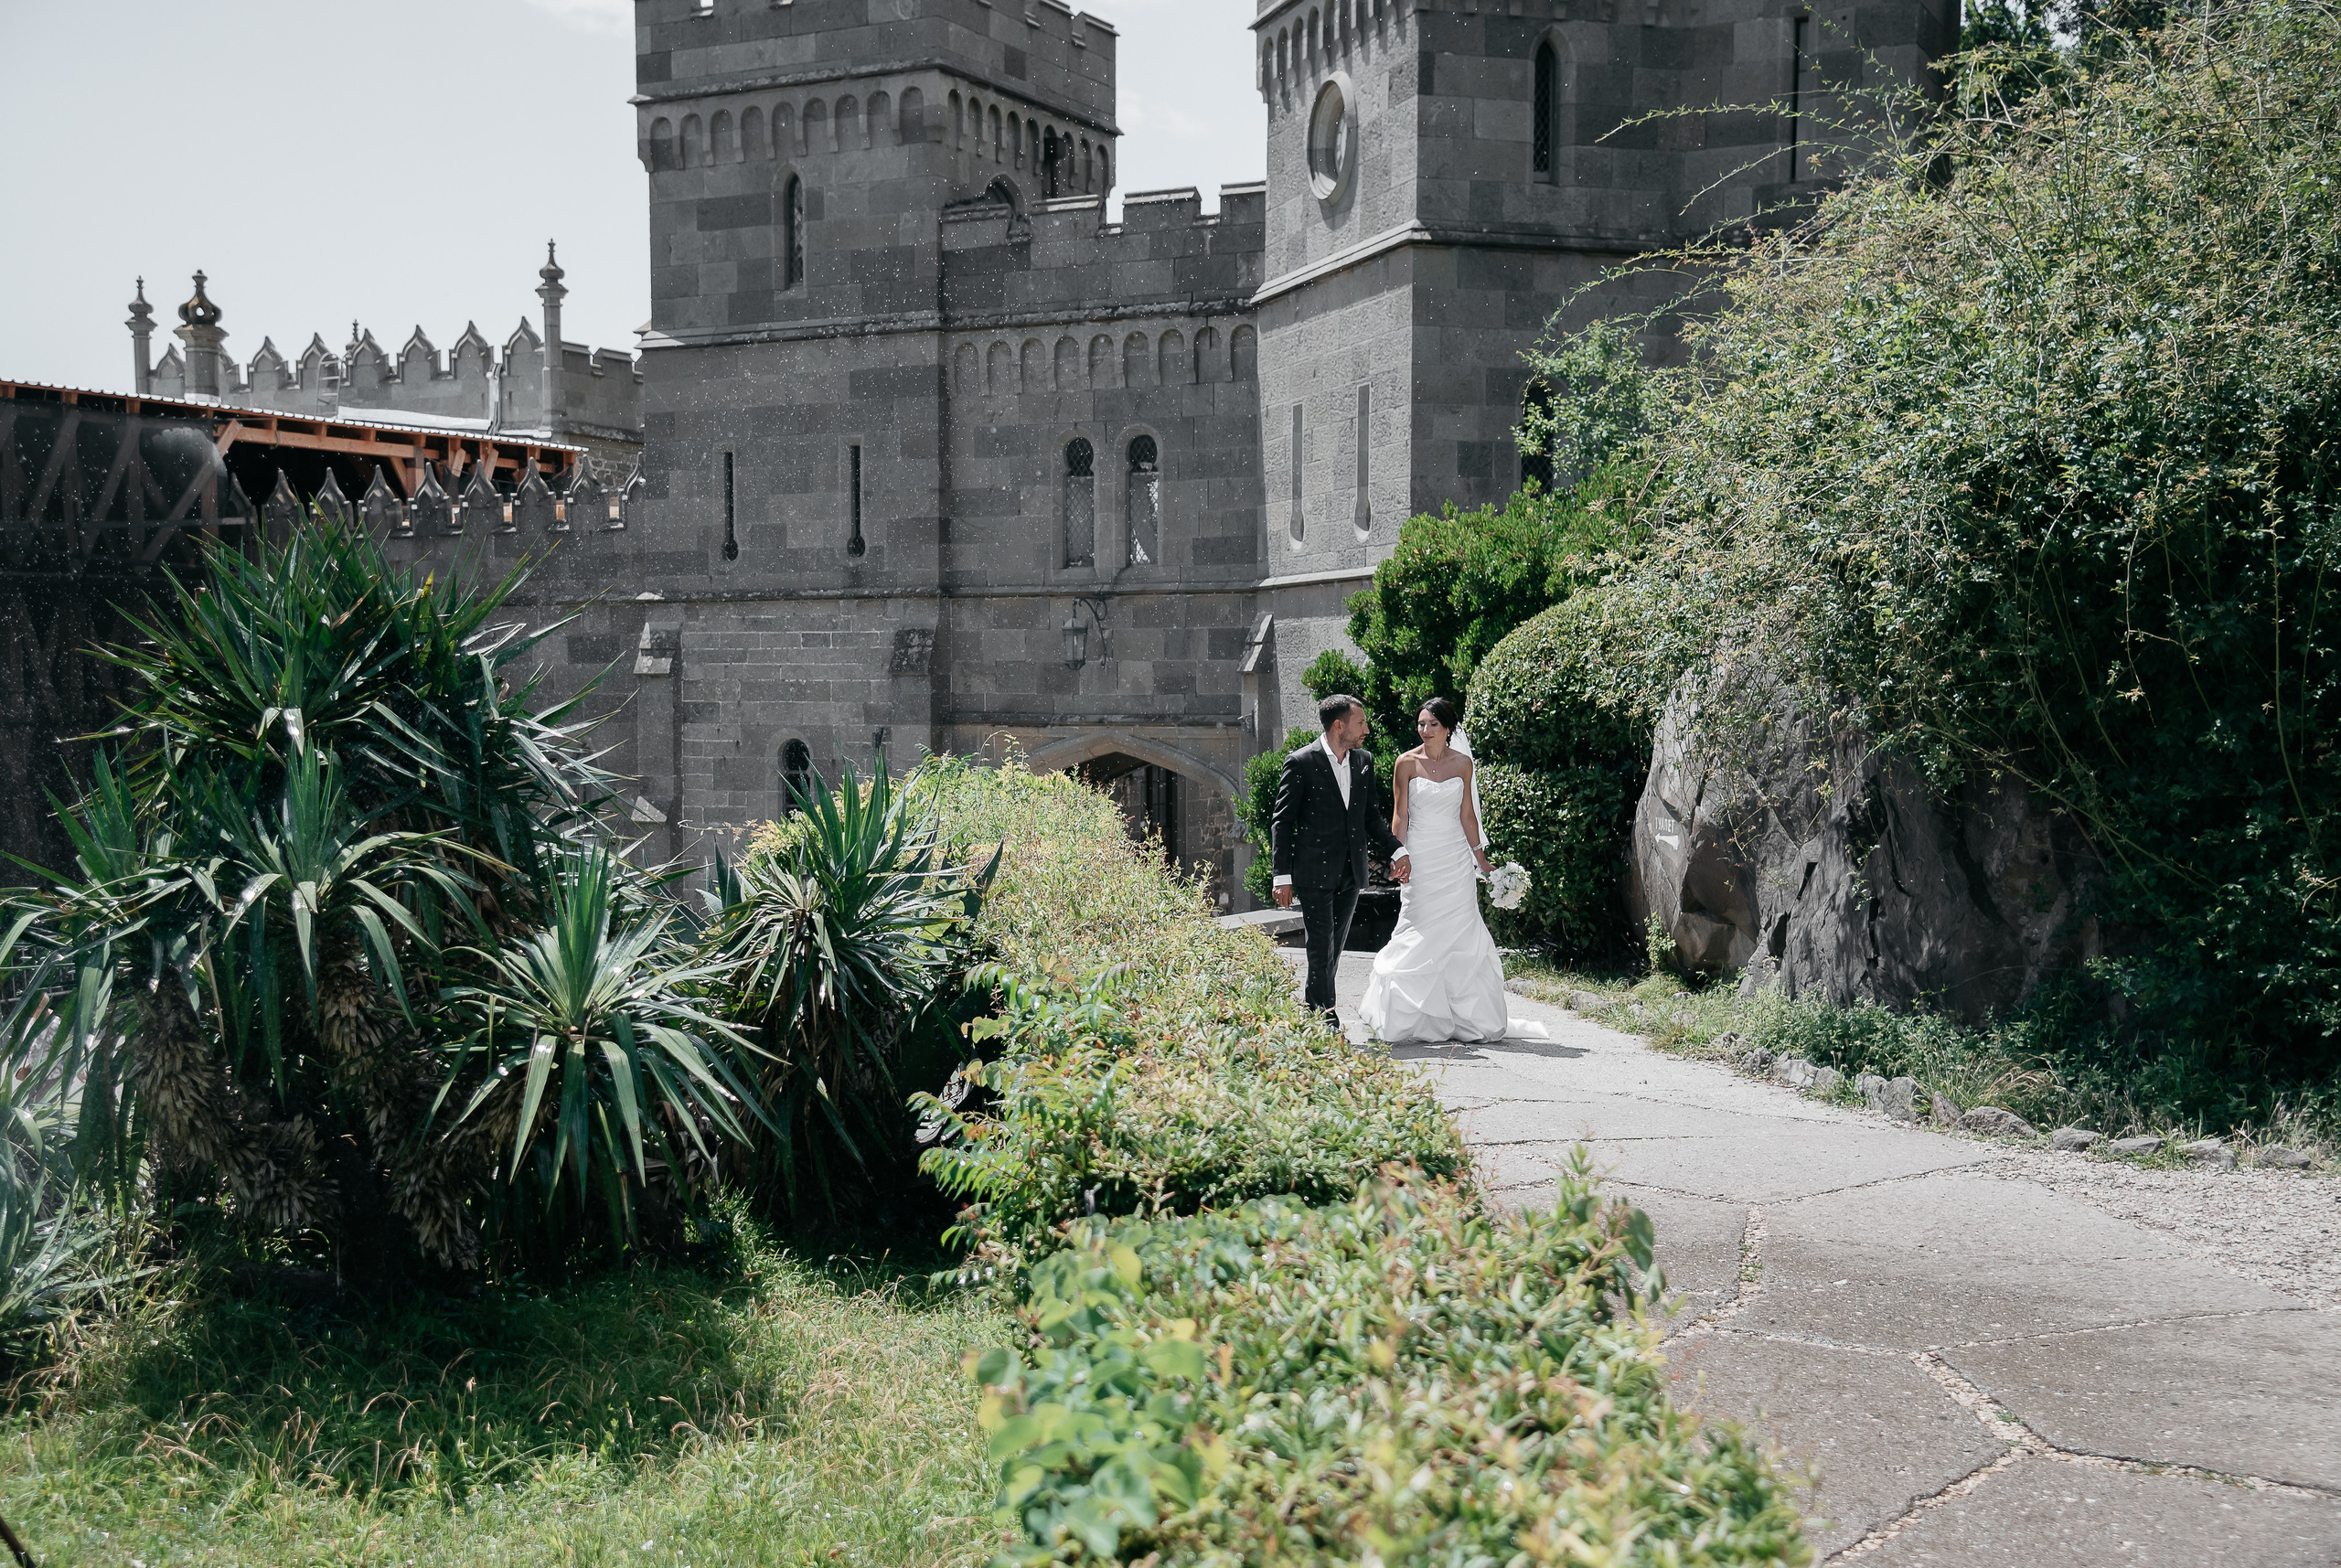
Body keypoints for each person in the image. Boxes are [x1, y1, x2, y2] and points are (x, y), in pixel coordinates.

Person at [1359, 697, 1509, 1043]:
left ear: (1448, 729)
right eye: (1421, 724)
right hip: (1421, 856)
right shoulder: (1405, 763)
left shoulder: (1463, 764)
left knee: (1461, 930)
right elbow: (1401, 815)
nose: (1425, 731)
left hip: (1455, 859)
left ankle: (1463, 1017)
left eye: (1432, 725)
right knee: (1417, 925)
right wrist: (1398, 855)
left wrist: (1481, 859)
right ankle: (1407, 1016)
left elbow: (1467, 816)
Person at [1271, 693, 1411, 1027]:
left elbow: (1371, 818)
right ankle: (1325, 1019)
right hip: (1312, 871)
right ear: (1339, 725)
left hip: (1351, 871)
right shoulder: (1301, 762)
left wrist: (1398, 850)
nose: (1366, 729)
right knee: (1320, 945)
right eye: (1360, 722)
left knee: (1333, 947)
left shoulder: (1364, 761)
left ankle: (1313, 1009)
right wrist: (1282, 876)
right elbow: (1282, 821)